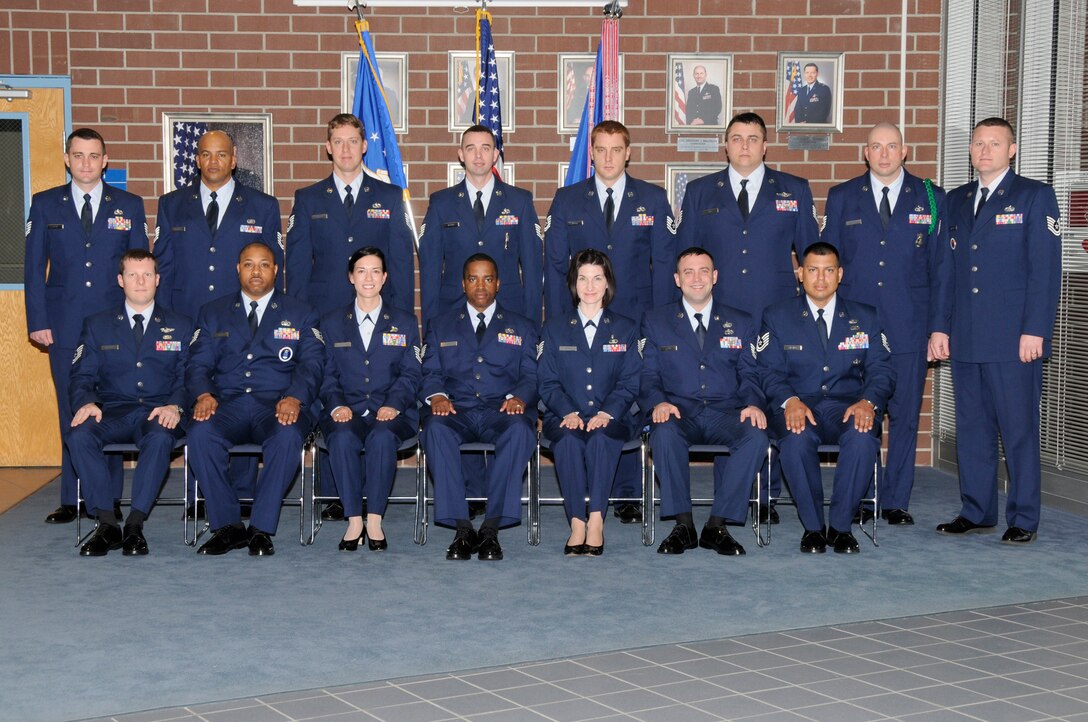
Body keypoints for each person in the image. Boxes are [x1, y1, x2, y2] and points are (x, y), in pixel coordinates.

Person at [676, 111, 819, 521]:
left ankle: (767, 495)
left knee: (773, 397)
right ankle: (732, 495)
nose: (744, 146)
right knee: (727, 398)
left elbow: (810, 256)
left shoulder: (794, 189)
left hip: (775, 315)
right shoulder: (702, 191)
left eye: (753, 138)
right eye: (736, 138)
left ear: (765, 145)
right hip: (718, 316)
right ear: (725, 144)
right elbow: (687, 256)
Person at [929, 117, 1062, 545]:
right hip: (966, 336)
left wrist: (1036, 330)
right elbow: (946, 270)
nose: (984, 150)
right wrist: (939, 327)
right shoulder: (956, 199)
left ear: (1012, 149)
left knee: (1018, 429)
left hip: (1013, 339)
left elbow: (1046, 270)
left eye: (994, 143)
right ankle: (977, 509)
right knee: (972, 428)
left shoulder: (1034, 196)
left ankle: (1023, 517)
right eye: (977, 143)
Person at [544, 119, 676, 524]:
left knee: (629, 404)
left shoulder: (652, 199)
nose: (608, 157)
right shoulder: (567, 200)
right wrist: (560, 322)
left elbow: (664, 265)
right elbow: (554, 267)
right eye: (600, 149)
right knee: (588, 398)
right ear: (591, 153)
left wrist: (660, 327)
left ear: (628, 152)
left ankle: (627, 494)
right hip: (582, 319)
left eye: (616, 149)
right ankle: (586, 491)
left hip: (635, 321)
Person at [822, 122, 945, 525]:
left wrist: (938, 328)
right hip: (857, 331)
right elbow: (829, 267)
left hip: (910, 326)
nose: (885, 153)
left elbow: (941, 270)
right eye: (877, 146)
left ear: (905, 151)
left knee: (906, 416)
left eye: (892, 146)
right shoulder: (842, 197)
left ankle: (895, 501)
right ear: (866, 152)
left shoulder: (930, 196)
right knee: (862, 414)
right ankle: (862, 496)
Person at [25, 127, 149, 524]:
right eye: (78, 155)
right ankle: (70, 498)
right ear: (67, 159)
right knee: (70, 407)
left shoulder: (128, 204)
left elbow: (141, 268)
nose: (86, 163)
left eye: (94, 156)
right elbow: (33, 268)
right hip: (62, 324)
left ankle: (107, 499)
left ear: (105, 160)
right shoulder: (45, 205)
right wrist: (38, 320)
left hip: (112, 327)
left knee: (106, 409)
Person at [186, 243, 323, 556]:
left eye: (264, 264)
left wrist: (295, 397)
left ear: (276, 270)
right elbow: (196, 365)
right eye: (249, 264)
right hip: (228, 404)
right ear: (238, 269)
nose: (256, 271)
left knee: (287, 437)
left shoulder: (301, 312)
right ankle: (228, 526)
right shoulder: (213, 312)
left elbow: (313, 365)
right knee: (200, 433)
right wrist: (203, 394)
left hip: (277, 405)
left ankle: (260, 528)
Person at [759, 242, 894, 554]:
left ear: (840, 274)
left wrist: (868, 402)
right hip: (797, 404)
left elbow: (883, 370)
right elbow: (767, 371)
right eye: (813, 270)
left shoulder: (867, 316)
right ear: (800, 274)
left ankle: (841, 527)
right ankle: (814, 528)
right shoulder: (777, 316)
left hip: (849, 405)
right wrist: (788, 400)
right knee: (795, 439)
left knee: (862, 437)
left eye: (829, 270)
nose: (821, 278)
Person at [641, 247, 768, 556]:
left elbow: (750, 372)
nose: (696, 278)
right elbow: (648, 374)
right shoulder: (655, 321)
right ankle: (683, 525)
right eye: (688, 272)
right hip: (678, 412)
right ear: (676, 279)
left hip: (726, 412)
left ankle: (717, 525)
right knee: (664, 431)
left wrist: (752, 403)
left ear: (715, 277)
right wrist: (658, 402)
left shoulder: (740, 321)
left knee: (756, 435)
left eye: (703, 271)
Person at [67, 249, 192, 556]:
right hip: (113, 411)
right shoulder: (97, 325)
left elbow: (191, 376)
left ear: (157, 280)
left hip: (158, 410)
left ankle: (135, 525)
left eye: (147, 274)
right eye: (133, 275)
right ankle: (108, 524)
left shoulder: (182, 325)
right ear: (120, 280)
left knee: (161, 437)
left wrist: (175, 405)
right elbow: (81, 374)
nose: (140, 281)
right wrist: (87, 402)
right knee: (78, 435)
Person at [419, 254, 538, 561]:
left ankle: (490, 529)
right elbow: (429, 373)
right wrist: (437, 396)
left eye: (488, 279)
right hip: (456, 410)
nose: (480, 286)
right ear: (463, 284)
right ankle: (461, 527)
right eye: (473, 279)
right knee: (434, 428)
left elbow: (531, 375)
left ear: (498, 284)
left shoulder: (522, 326)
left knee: (521, 430)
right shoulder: (440, 324)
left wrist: (519, 398)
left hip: (502, 410)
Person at [538, 250, 640, 555]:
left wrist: (608, 412)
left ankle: (596, 519)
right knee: (568, 441)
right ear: (573, 283)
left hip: (614, 417)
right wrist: (567, 411)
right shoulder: (554, 329)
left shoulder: (627, 328)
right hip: (564, 416)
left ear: (608, 283)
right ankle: (576, 523)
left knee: (600, 438)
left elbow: (630, 381)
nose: (590, 285)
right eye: (583, 278)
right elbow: (547, 381)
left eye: (597, 278)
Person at [319, 247, 421, 551]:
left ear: (385, 277)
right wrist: (337, 405)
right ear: (351, 277)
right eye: (361, 270)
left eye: (376, 270)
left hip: (393, 413)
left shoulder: (404, 322)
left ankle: (374, 519)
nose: (368, 277)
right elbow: (325, 374)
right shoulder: (331, 322)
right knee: (341, 438)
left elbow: (411, 373)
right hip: (345, 411)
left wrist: (394, 404)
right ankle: (354, 520)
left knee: (381, 437)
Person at [285, 113, 415, 317]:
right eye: (338, 142)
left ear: (364, 146)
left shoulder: (390, 196)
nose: (346, 150)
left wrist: (402, 319)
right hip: (324, 312)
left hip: (378, 311)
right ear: (329, 147)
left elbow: (402, 264)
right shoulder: (308, 199)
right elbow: (297, 268)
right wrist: (298, 320)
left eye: (353, 141)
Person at [418, 125, 542, 326]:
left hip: (508, 309)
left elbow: (532, 269)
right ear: (461, 154)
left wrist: (532, 327)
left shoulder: (519, 202)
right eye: (470, 148)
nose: (478, 155)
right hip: (453, 310)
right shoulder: (441, 203)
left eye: (485, 148)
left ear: (495, 154)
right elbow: (430, 270)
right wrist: (431, 328)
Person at [154, 129, 283, 321]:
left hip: (242, 318)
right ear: (197, 160)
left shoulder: (263, 206)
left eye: (221, 155)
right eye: (206, 154)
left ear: (233, 160)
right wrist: (161, 318)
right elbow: (162, 268)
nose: (213, 162)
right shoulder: (171, 205)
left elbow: (274, 269)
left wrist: (273, 318)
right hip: (185, 315)